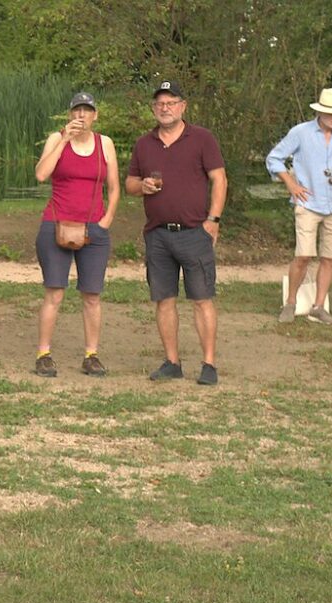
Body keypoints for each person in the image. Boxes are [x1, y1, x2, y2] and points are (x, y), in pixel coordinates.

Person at [126, 80, 228, 386]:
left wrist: (214, 219)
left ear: (183, 106)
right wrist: (141, 185)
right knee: (164, 299)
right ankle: (172, 361)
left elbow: (219, 179)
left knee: (202, 298)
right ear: (153, 108)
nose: (165, 108)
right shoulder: (144, 144)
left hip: (195, 232)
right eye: (159, 103)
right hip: (157, 234)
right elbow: (129, 183)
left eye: (171, 102)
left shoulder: (201, 139)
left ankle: (208, 364)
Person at [33, 91, 120, 377]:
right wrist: (64, 140)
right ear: (70, 114)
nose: (81, 115)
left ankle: (91, 354)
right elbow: (41, 174)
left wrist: (106, 219)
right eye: (77, 110)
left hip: (94, 228)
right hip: (56, 223)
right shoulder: (56, 139)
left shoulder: (104, 143)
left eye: (87, 110)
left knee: (92, 295)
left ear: (95, 115)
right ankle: (44, 353)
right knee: (54, 292)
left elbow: (114, 186)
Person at [266, 87, 332, 324]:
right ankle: (290, 302)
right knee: (304, 255)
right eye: (330, 112)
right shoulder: (301, 132)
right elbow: (274, 158)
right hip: (308, 203)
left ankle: (318, 306)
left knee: (330, 257)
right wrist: (291, 184)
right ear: (320, 111)